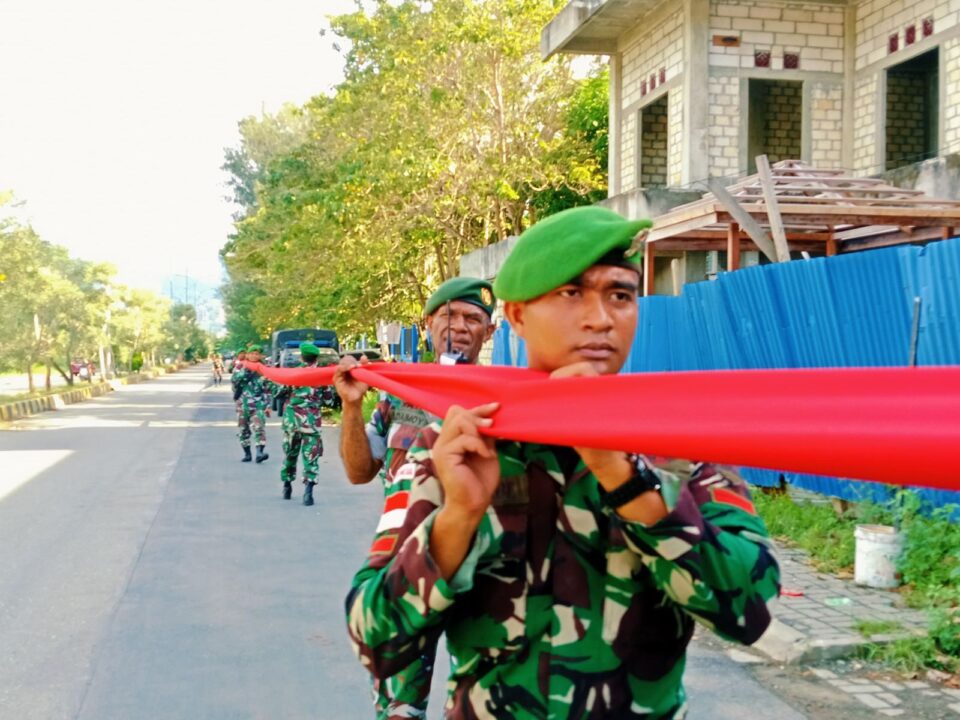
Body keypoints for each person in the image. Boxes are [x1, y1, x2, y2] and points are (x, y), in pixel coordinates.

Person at [345, 206, 781, 719]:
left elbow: (747, 615)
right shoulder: (453, 451)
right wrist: (457, 518)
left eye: (620, 294)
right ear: (518, 317)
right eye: (572, 293)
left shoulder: (678, 445)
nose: (601, 317)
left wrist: (626, 479)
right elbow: (376, 643)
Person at [336, 276, 496, 720]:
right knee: (400, 709)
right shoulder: (397, 393)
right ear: (427, 325)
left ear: (490, 332)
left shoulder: (502, 394)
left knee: (489, 700)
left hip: (485, 565)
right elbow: (358, 470)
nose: (459, 326)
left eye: (473, 318)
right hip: (407, 563)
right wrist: (351, 406)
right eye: (448, 315)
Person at [276, 342, 326, 504]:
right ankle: (308, 492)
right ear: (316, 357)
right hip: (311, 422)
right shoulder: (322, 376)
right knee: (311, 456)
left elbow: (279, 393)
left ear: (302, 357)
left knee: (290, 453)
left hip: (292, 421)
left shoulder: (294, 373)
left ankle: (287, 485)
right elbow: (329, 399)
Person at [233, 345, 272, 463]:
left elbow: (268, 388)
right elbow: (235, 380)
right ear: (248, 355)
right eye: (252, 353)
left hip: (258, 404)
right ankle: (247, 454)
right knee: (243, 430)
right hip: (242, 404)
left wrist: (268, 405)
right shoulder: (240, 366)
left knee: (259, 428)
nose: (254, 356)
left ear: (260, 356)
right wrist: (247, 370)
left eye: (257, 354)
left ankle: (260, 452)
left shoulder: (264, 368)